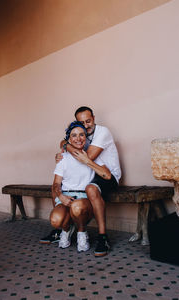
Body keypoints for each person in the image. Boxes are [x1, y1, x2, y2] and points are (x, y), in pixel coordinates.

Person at [40, 106, 121, 257]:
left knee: (90, 189)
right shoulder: (83, 137)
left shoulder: (102, 132)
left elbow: (85, 157)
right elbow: (69, 144)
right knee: (57, 185)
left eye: (89, 121)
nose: (86, 124)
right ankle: (62, 228)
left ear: (94, 118)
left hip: (109, 174)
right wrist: (64, 146)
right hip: (94, 172)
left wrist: (66, 146)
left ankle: (103, 237)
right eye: (82, 122)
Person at [50, 121, 111, 252]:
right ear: (69, 140)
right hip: (65, 196)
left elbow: (107, 175)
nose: (78, 138)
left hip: (83, 200)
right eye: (74, 135)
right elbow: (56, 183)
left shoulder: (91, 156)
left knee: (77, 207)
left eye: (82, 135)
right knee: (55, 220)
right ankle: (66, 231)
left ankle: (82, 232)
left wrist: (87, 161)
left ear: (85, 138)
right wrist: (61, 196)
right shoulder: (63, 158)